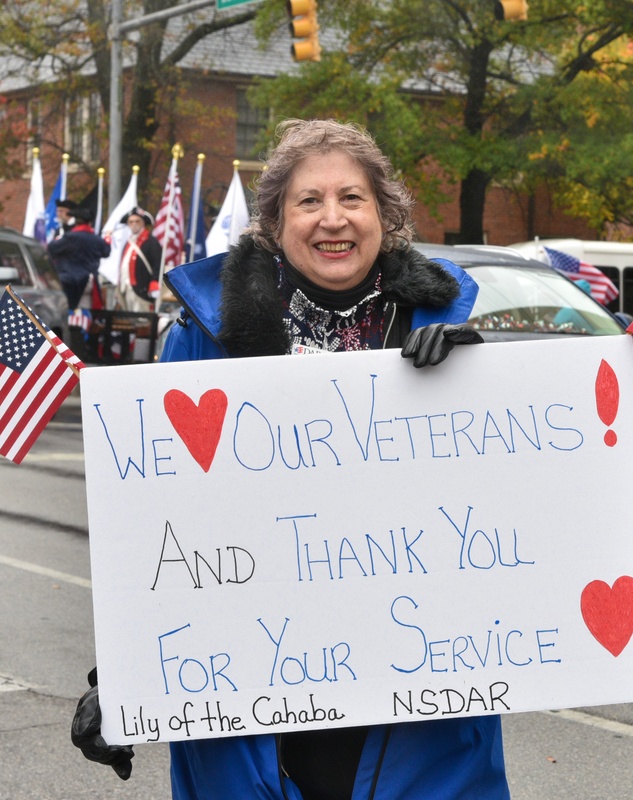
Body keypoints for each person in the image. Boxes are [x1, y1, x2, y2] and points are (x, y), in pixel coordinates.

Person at [70, 119, 507, 800]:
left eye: (352, 199)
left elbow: (512, 522)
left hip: (419, 710)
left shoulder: (448, 343)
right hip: (252, 708)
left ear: (385, 216)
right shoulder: (201, 345)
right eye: (309, 201)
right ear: (275, 221)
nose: (333, 219)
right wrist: (126, 671)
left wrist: (478, 393)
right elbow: (158, 524)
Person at [47, 206, 111, 310]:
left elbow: (51, 248)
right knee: (84, 312)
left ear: (76, 222)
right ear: (89, 223)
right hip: (88, 282)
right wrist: (108, 237)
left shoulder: (70, 237)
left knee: (67, 312)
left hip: (69, 282)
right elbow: (106, 251)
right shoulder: (96, 240)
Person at [115, 206, 162, 312]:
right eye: (131, 222)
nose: (134, 224)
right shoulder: (129, 242)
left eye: (137, 221)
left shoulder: (151, 242)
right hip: (126, 289)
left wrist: (154, 282)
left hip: (141, 289)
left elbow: (157, 265)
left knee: (142, 321)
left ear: (143, 223)